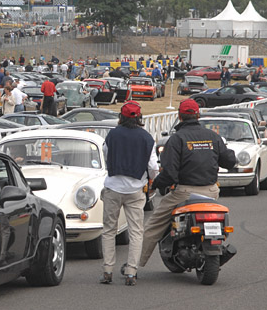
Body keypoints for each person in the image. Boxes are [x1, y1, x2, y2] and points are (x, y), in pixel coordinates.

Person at [138, 99, 237, 270]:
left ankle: (135, 265)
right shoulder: (213, 136)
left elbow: (169, 173)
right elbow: (230, 161)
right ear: (198, 115)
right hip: (211, 192)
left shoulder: (177, 139)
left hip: (184, 192)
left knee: (152, 226)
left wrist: (156, 184)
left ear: (179, 116)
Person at [100, 101, 158, 286]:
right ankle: (131, 272)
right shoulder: (147, 138)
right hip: (135, 189)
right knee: (136, 232)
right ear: (139, 117)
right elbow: (153, 167)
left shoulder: (112, 134)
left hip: (113, 187)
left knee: (109, 230)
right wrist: (151, 180)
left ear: (121, 117)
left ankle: (108, 270)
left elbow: (105, 154)